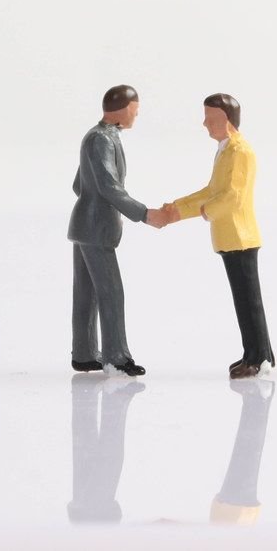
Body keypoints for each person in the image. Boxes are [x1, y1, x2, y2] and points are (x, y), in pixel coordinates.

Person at [161, 94, 275, 379]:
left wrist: (204, 211)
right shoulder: (225, 150)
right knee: (243, 301)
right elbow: (211, 190)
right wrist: (176, 208)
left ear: (224, 119)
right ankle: (254, 354)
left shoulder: (240, 151)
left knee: (250, 302)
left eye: (209, 119)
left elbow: (232, 196)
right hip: (229, 237)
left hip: (240, 236)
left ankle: (261, 358)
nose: (204, 124)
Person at [68, 85, 167, 376]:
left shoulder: (96, 136)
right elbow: (109, 186)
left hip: (84, 225)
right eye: (135, 110)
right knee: (111, 292)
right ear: (123, 109)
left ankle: (85, 353)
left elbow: (79, 184)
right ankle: (116, 356)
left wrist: (90, 203)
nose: (136, 116)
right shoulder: (102, 140)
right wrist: (145, 214)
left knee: (86, 294)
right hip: (96, 228)